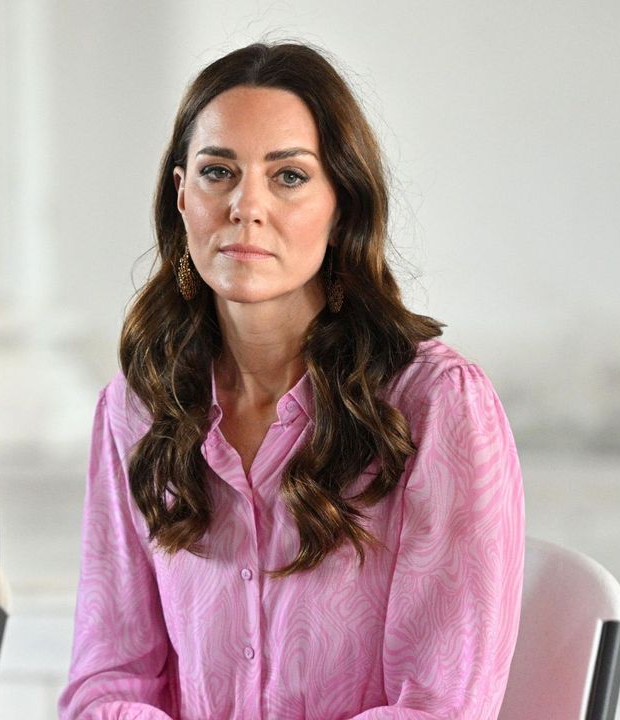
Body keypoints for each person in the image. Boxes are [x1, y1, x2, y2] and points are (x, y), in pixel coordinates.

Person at [59, 43, 523, 719]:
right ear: (182, 194)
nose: (246, 206)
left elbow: (439, 707)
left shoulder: (437, 405)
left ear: (342, 206)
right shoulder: (135, 409)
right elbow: (106, 684)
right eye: (219, 171)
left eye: (289, 177)